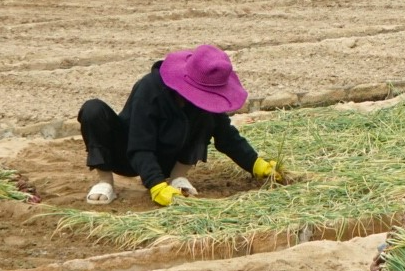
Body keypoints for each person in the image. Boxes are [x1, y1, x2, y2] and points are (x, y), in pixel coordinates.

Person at [76, 45, 286, 207]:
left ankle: (178, 177)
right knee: (93, 110)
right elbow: (140, 145)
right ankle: (105, 182)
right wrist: (156, 185)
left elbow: (226, 135)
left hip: (169, 157)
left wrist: (256, 164)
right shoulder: (150, 89)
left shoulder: (206, 104)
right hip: (127, 153)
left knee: (208, 116)